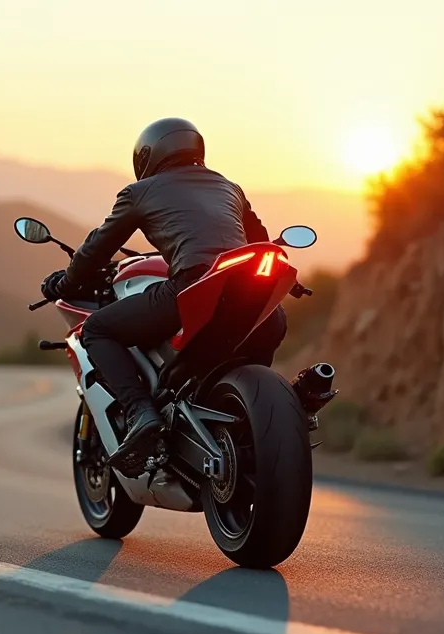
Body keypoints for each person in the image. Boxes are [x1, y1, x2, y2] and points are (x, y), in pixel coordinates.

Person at [39, 117, 288, 475]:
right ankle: (262, 413)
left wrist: (65, 282)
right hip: (249, 290)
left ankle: (141, 412)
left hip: (191, 285)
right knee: (273, 323)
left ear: (148, 155)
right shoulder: (228, 186)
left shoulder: (140, 192)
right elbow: (258, 240)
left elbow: (97, 248)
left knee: (96, 330)